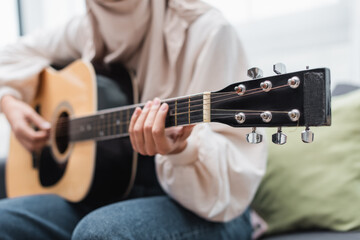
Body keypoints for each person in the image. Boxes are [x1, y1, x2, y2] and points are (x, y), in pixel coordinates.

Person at [0, 0, 267, 239]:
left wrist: (182, 149)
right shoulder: (88, 25)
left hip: (210, 206)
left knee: (100, 232)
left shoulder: (205, 29)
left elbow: (235, 168)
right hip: (111, 192)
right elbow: (8, 57)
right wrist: (8, 102)